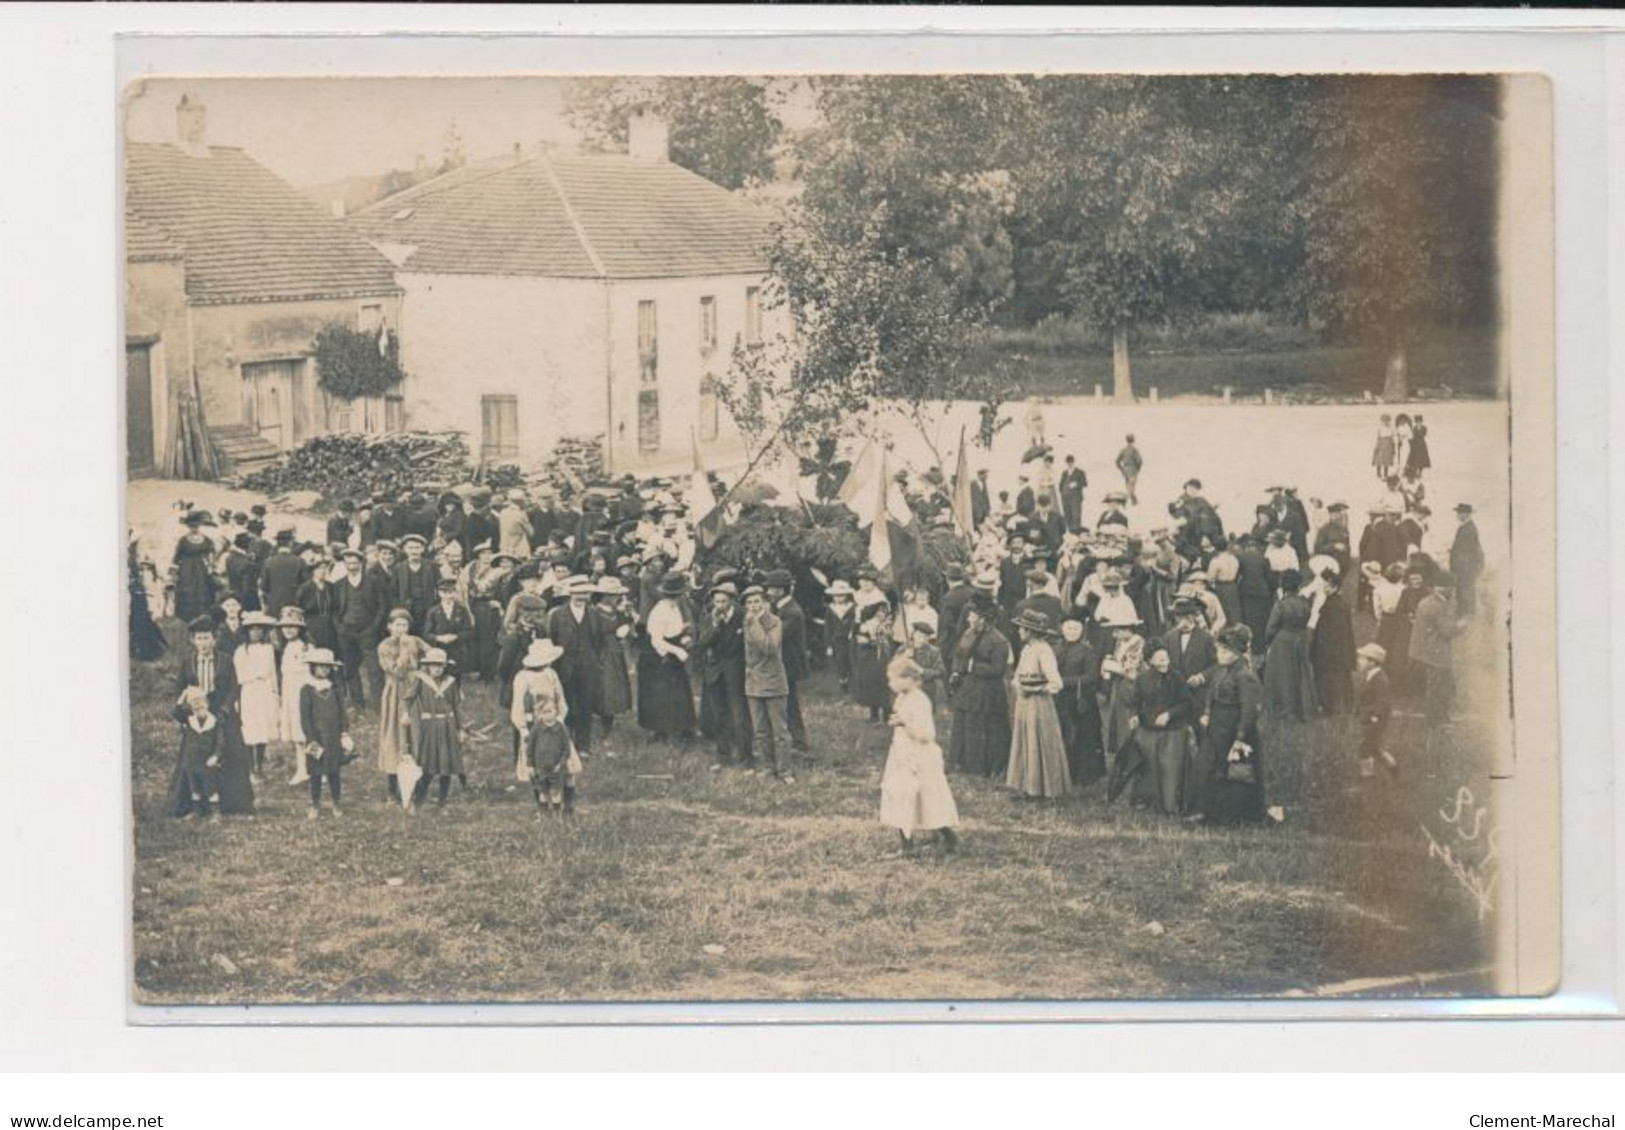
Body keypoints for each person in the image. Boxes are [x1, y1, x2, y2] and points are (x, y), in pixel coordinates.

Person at [879, 654, 961, 856]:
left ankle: (949, 838)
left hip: (920, 758)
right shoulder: (903, 697)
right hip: (902, 755)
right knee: (899, 795)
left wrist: (904, 724)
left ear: (908, 679)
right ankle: (906, 844)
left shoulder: (920, 700)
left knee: (927, 798)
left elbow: (927, 734)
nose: (890, 683)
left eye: (893, 679)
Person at [1194, 625, 1266, 826]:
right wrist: (1207, 713)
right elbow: (1211, 693)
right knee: (1211, 767)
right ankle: (1211, 813)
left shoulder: (1245, 675)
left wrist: (1240, 738)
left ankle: (1232, 817)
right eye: (1219, 650)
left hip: (1234, 729)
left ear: (1237, 653)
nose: (1220, 655)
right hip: (1217, 727)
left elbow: (1250, 709)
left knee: (1234, 773)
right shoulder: (1221, 671)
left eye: (1225, 651)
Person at [1003, 609, 1072, 800]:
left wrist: (1036, 689)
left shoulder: (1044, 651)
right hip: (1024, 702)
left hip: (1039, 704)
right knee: (1024, 741)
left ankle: (1044, 789)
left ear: (1030, 631)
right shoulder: (1027, 650)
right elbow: (1018, 676)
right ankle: (1027, 786)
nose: (1019, 632)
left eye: (1022, 629)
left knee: (1039, 742)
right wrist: (1019, 686)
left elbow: (1056, 682)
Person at [947, 596, 1013, 778]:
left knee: (979, 727)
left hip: (987, 692)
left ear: (983, 619)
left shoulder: (999, 641)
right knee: (962, 724)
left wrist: (972, 667)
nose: (969, 618)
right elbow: (959, 655)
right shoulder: (969, 634)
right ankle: (960, 763)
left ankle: (982, 767)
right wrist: (956, 671)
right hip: (967, 687)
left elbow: (998, 670)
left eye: (972, 615)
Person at [1130, 639, 1195, 815]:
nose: (1164, 662)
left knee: (1170, 767)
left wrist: (1169, 714)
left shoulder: (1177, 677)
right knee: (1149, 766)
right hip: (1149, 730)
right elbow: (1134, 701)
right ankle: (1149, 802)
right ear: (1150, 661)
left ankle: (1171, 806)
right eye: (1159, 659)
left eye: (1166, 658)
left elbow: (1187, 703)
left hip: (1173, 731)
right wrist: (1135, 716)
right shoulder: (1142, 679)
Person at [741, 586, 795, 783]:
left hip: (773, 681)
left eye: (757, 601)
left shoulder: (774, 622)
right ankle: (767, 768)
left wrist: (754, 624)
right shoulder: (746, 621)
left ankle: (785, 771)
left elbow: (769, 648)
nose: (753, 606)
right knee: (761, 730)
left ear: (765, 602)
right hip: (753, 682)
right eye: (749, 602)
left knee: (779, 731)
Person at [698, 582, 752, 772]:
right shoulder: (710, 616)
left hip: (736, 671)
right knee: (719, 715)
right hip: (714, 672)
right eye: (716, 601)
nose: (719, 605)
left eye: (723, 601)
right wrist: (714, 625)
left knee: (740, 715)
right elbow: (702, 642)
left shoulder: (742, 616)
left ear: (732, 601)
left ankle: (746, 757)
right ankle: (723, 756)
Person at [638, 574, 697, 742]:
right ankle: (663, 731)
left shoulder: (674, 607)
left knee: (679, 692)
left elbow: (675, 630)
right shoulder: (660, 611)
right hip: (659, 656)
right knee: (663, 694)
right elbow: (656, 640)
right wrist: (677, 651)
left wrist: (683, 637)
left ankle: (681, 729)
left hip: (672, 652)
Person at [376, 607, 427, 804]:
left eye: (404, 625)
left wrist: (421, 667)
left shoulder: (415, 641)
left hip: (414, 691)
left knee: (414, 736)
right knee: (394, 737)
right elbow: (395, 670)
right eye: (397, 625)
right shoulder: (384, 646)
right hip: (395, 694)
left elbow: (433, 655)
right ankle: (391, 789)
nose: (401, 629)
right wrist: (405, 651)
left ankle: (415, 785)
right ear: (389, 626)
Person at [548, 577, 603, 756]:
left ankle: (583, 746)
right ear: (570, 593)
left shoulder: (594, 614)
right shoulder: (557, 615)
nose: (581, 596)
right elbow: (552, 640)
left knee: (586, 705)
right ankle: (565, 743)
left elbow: (599, 641)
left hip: (588, 666)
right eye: (577, 592)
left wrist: (595, 660)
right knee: (566, 705)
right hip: (565, 666)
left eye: (585, 593)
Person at [406, 647, 463, 811]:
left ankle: (442, 803)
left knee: (446, 767)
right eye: (433, 665)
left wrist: (460, 729)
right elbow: (408, 698)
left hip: (447, 726)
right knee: (427, 766)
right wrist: (406, 714)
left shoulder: (450, 682)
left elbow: (456, 706)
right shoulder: (421, 680)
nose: (437, 668)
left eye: (440, 665)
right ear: (427, 666)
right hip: (429, 727)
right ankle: (417, 801)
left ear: (445, 666)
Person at [298, 648, 352, 820]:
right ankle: (315, 804)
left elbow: (342, 712)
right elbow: (305, 717)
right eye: (320, 667)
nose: (323, 670)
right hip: (317, 738)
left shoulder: (334, 689)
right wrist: (311, 739)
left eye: (327, 667)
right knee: (315, 773)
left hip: (333, 736)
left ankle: (336, 802)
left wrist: (344, 731)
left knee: (334, 772)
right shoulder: (307, 689)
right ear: (312, 667)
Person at [1053, 613, 1105, 787]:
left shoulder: (1088, 651)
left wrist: (1064, 682)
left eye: (1076, 628)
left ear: (1082, 630)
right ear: (1062, 629)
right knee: (1064, 733)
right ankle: (1064, 770)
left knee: (1082, 736)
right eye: (1069, 628)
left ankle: (1084, 774)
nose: (1072, 631)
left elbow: (1091, 677)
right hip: (1060, 699)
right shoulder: (1056, 648)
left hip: (1080, 699)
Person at [763, 569, 811, 756]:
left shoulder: (792, 612)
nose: (768, 593)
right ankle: (795, 742)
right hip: (783, 665)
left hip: (789, 666)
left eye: (771, 589)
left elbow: (776, 634)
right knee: (786, 704)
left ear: (781, 591)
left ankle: (800, 744)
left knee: (790, 705)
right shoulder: (781, 608)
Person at [1409, 575, 1464, 731]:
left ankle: (1440, 717)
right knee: (1439, 687)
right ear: (1443, 588)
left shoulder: (1426, 601)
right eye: (1452, 588)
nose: (1453, 592)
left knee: (1436, 685)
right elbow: (1447, 631)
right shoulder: (1438, 606)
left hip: (1425, 650)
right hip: (1436, 652)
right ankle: (1437, 721)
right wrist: (1462, 625)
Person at [1262, 570, 1317, 722]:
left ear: (1283, 586)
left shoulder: (1280, 605)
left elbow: (1270, 629)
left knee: (1283, 675)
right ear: (1298, 586)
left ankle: (1284, 709)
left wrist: (1268, 642)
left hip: (1283, 640)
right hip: (1301, 638)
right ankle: (1304, 710)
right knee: (1301, 673)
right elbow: (1307, 620)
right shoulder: (1305, 603)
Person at [511, 637, 568, 780]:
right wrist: (523, 728)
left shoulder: (551, 674)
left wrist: (560, 717)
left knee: (559, 757)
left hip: (553, 720)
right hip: (534, 722)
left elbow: (559, 697)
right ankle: (540, 790)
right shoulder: (522, 677)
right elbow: (518, 704)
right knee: (537, 757)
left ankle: (562, 791)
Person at [233, 611, 280, 781]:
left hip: (264, 690)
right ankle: (250, 767)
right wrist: (236, 699)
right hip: (248, 691)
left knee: (263, 729)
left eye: (260, 629)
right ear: (247, 631)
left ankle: (259, 765)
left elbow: (272, 673)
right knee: (250, 729)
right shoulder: (240, 651)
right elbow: (237, 677)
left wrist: (275, 694)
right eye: (253, 629)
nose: (256, 633)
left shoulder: (268, 649)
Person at [173, 687, 225, 823]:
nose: (199, 711)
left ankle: (215, 812)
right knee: (194, 786)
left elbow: (220, 742)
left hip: (207, 761)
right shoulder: (190, 720)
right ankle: (197, 810)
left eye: (201, 707)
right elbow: (176, 712)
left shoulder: (214, 722)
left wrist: (215, 756)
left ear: (207, 706)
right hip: (191, 760)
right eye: (196, 709)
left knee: (211, 787)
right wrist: (183, 695)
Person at [275, 606, 315, 783]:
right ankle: (302, 768)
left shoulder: (306, 647)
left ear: (300, 628)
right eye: (285, 626)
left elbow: (313, 673)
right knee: (297, 735)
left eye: (292, 626)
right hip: (290, 695)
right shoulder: (287, 648)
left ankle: (315, 767)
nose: (288, 630)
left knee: (308, 732)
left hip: (304, 694)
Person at [526, 692, 579, 821]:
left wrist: (560, 763)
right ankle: (544, 813)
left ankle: (558, 813)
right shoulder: (537, 729)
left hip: (556, 766)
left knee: (556, 791)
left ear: (556, 711)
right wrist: (530, 765)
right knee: (543, 791)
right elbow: (530, 748)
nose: (548, 715)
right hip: (541, 766)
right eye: (545, 712)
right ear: (540, 714)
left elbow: (566, 749)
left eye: (551, 711)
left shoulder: (561, 728)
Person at [1309, 578, 1357, 715]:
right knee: (1342, 677)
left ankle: (1327, 707)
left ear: (1335, 587)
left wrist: (1318, 650)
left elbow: (1325, 632)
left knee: (1326, 679)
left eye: (1327, 586)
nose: (1325, 588)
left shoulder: (1330, 606)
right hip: (1341, 648)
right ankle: (1345, 705)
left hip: (1329, 650)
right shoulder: (1342, 604)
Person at [850, 599, 896, 723]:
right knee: (872, 687)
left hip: (884, 661)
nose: (882, 615)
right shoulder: (866, 626)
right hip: (870, 660)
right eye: (879, 612)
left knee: (885, 687)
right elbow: (860, 641)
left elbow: (891, 640)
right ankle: (874, 714)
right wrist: (872, 640)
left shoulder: (887, 626)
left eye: (884, 612)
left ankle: (887, 713)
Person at [1355, 643, 1394, 779]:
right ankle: (1392, 766)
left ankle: (1367, 776)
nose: (1358, 661)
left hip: (1376, 719)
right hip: (1370, 717)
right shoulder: (1370, 676)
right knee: (1375, 746)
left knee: (1364, 748)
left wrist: (1374, 715)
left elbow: (1383, 701)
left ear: (1372, 662)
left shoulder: (1380, 679)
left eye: (1362, 659)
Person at [171, 511, 218, 622]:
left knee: (202, 590)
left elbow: (212, 552)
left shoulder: (206, 539)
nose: (194, 528)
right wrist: (173, 574)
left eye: (196, 526)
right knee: (187, 591)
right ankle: (186, 619)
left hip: (201, 569)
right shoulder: (183, 540)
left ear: (199, 526)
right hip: (186, 570)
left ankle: (202, 618)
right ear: (188, 526)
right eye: (191, 526)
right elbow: (177, 557)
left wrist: (211, 565)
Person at [422, 577, 474, 674]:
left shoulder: (461, 610)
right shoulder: (433, 611)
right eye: (445, 592)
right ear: (439, 593)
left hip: (457, 651)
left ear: (455, 593)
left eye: (451, 592)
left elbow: (469, 631)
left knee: (456, 677)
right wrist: (438, 638)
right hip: (439, 650)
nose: (448, 596)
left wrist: (456, 636)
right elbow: (426, 634)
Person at [1449, 503, 1484, 617]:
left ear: (1466, 514)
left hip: (1464, 569)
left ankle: (1466, 617)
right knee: (1465, 592)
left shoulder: (1467, 529)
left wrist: (1457, 567)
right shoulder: (1467, 527)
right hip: (1465, 568)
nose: (1457, 515)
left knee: (1465, 593)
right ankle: (1466, 616)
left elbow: (1465, 552)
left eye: (1459, 513)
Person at [1058, 454, 1087, 533]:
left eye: (1071, 462)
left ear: (1073, 462)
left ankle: (1077, 532)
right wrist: (1062, 492)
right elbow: (1060, 484)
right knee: (1067, 515)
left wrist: (1076, 484)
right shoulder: (1064, 472)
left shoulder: (1080, 472)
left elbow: (1085, 483)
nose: (1069, 464)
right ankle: (1070, 532)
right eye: (1068, 463)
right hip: (1065, 497)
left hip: (1076, 498)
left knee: (1076, 515)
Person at [1115, 434, 1142, 506]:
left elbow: (1117, 461)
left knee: (1129, 486)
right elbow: (1139, 461)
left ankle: (1133, 501)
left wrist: (1122, 469)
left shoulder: (1123, 450)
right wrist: (1137, 469)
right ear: (1133, 440)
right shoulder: (1134, 450)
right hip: (1133, 469)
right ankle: (1125, 500)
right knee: (1131, 487)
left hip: (1125, 470)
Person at [1373, 413, 1397, 482]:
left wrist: (1393, 446)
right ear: (1382, 421)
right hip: (1381, 443)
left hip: (1389, 444)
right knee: (1379, 459)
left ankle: (1385, 473)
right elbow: (1378, 437)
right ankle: (1378, 473)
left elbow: (1393, 437)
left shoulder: (1391, 428)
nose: (1386, 422)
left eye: (1387, 420)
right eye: (1385, 420)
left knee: (1387, 459)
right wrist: (1377, 445)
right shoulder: (1380, 428)